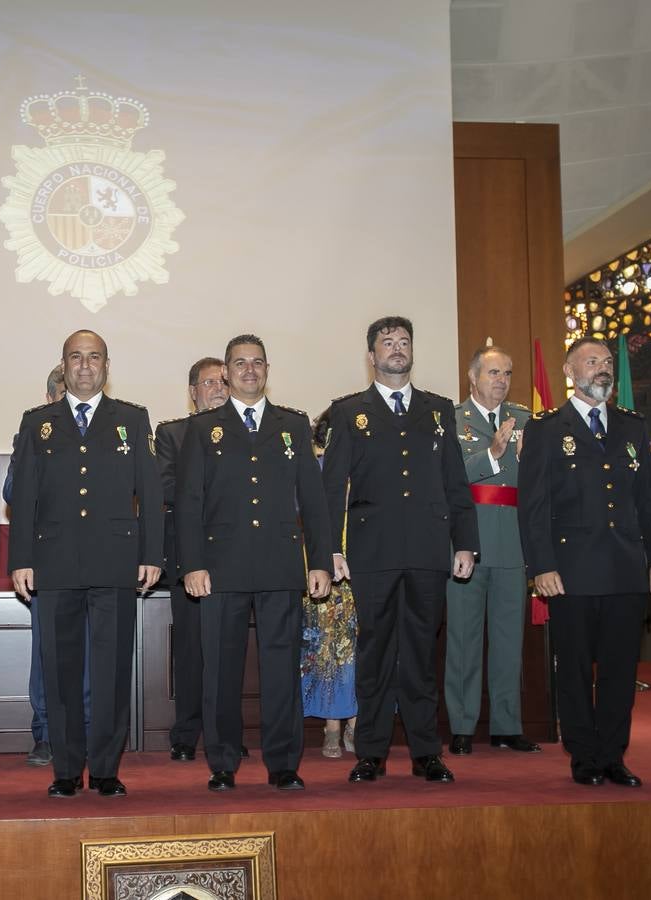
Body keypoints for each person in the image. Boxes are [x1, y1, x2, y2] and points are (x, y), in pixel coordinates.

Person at [322, 316, 478, 786]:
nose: (396, 348)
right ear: (371, 356)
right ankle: (370, 752)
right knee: (374, 655)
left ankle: (426, 752)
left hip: (429, 551)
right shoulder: (350, 411)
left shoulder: (437, 410)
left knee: (418, 657)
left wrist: (466, 542)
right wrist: (330, 548)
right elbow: (331, 488)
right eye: (387, 343)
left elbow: (455, 482)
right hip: (374, 553)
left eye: (404, 341)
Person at [9, 330, 163, 798]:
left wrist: (152, 554)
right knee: (60, 672)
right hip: (54, 564)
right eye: (75, 357)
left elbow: (151, 492)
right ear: (64, 364)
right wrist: (21, 560)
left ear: (106, 366)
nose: (84, 365)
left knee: (112, 671)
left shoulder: (131, 420)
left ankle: (105, 769)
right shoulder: (38, 422)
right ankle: (65, 769)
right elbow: (25, 497)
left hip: (114, 562)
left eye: (93, 357)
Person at [176, 334, 333, 792]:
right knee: (220, 670)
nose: (249, 370)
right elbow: (189, 502)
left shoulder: (292, 425)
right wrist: (192, 564)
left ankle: (284, 762)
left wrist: (319, 561)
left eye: (257, 363)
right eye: (239, 363)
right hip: (220, 567)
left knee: (282, 667)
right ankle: (223, 761)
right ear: (224, 373)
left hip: (280, 565)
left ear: (267, 370)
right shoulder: (205, 429)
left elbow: (314, 501)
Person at [519, 337, 651, 787]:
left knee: (621, 672)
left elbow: (649, 502)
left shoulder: (632, 427)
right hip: (571, 573)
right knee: (576, 670)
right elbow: (533, 507)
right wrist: (541, 567)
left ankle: (613, 755)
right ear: (570, 372)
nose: (602, 369)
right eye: (592, 362)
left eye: (606, 362)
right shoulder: (546, 429)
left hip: (627, 569)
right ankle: (583, 756)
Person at [444, 347, 540, 756]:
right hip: (468, 542)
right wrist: (492, 456)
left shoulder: (526, 421)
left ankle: (506, 724)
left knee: (507, 640)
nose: (501, 380)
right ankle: (462, 726)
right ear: (473, 378)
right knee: (463, 639)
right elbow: (446, 479)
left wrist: (528, 460)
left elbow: (540, 483)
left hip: (513, 542)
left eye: (507, 373)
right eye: (493, 372)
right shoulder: (450, 420)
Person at [3, 362, 91, 767]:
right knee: (48, 656)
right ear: (51, 397)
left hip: (96, 563)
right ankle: (46, 734)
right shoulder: (34, 432)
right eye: (61, 394)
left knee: (91, 654)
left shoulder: (108, 430)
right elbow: (12, 492)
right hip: (49, 564)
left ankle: (88, 731)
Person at [156, 356, 230, 762]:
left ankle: (226, 734)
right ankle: (186, 732)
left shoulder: (246, 432)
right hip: (188, 555)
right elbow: (165, 487)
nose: (218, 388)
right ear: (192, 393)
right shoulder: (173, 433)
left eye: (223, 381)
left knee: (228, 649)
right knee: (190, 649)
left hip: (235, 555)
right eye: (208, 383)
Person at [303, 411, 357, 759]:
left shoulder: (365, 465)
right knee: (327, 651)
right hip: (322, 568)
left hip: (364, 569)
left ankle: (356, 722)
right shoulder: (312, 466)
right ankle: (332, 726)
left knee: (361, 651)